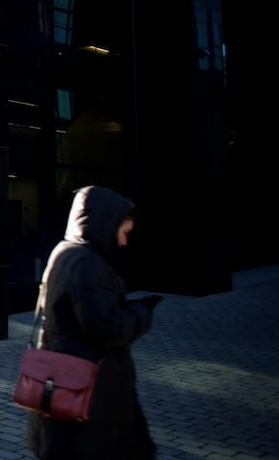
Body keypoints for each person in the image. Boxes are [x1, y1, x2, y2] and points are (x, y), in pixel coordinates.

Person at [26, 185, 162, 460]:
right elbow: (107, 328)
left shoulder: (65, 251)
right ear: (105, 225)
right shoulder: (85, 263)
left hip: (71, 380)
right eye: (124, 232)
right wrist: (141, 313)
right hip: (87, 387)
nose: (124, 242)